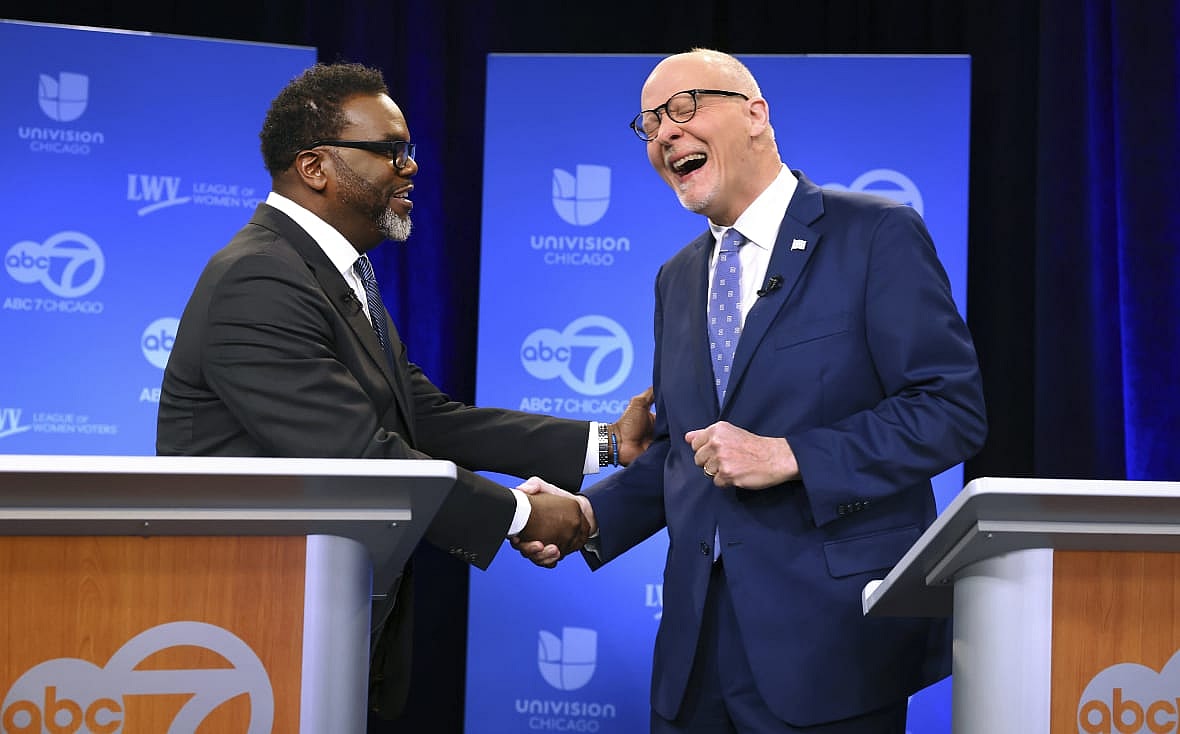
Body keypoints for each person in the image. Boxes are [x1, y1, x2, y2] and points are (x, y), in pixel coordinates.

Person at [155, 61, 654, 723]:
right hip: (252, 636)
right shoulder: (261, 278)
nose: (411, 167)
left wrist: (610, 445)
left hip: (334, 619)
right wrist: (521, 514)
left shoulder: (338, 275)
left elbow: (426, 417)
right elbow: (355, 456)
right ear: (315, 168)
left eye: (408, 151)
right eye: (392, 151)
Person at [517, 49, 987, 733]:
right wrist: (592, 517)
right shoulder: (676, 279)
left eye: (684, 108)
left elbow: (950, 410)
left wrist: (793, 453)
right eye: (648, 124)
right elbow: (690, 452)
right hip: (692, 660)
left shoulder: (874, 235)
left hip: (831, 650)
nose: (665, 134)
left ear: (756, 115)